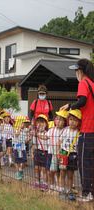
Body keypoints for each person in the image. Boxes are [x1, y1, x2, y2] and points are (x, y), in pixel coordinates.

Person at [60, 58, 94, 202]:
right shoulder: (92, 83)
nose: (75, 73)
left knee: (83, 162)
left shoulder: (83, 83)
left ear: (81, 71)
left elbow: (82, 101)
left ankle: (86, 193)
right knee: (91, 162)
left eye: (76, 70)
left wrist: (70, 106)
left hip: (87, 128)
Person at [58, 109, 81, 200]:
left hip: (73, 154)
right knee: (62, 172)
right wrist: (59, 152)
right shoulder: (65, 130)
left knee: (70, 174)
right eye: (71, 119)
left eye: (75, 120)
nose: (72, 122)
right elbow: (60, 141)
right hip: (63, 152)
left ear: (78, 122)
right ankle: (61, 190)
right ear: (68, 120)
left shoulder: (79, 132)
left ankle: (69, 190)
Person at [46, 110, 68, 192]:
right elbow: (46, 136)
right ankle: (51, 187)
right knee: (51, 171)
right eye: (57, 119)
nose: (58, 121)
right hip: (51, 153)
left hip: (62, 154)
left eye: (61, 120)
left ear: (65, 122)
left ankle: (60, 187)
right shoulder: (51, 130)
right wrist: (37, 135)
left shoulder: (65, 130)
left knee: (60, 172)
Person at [32, 114, 49, 190]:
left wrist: (37, 135)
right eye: (38, 122)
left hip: (45, 152)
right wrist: (32, 152)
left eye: (42, 122)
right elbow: (33, 144)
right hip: (37, 151)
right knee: (36, 168)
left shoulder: (47, 133)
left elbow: (46, 138)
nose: (40, 124)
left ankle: (44, 183)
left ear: (46, 124)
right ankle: (37, 182)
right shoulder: (34, 133)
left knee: (44, 169)